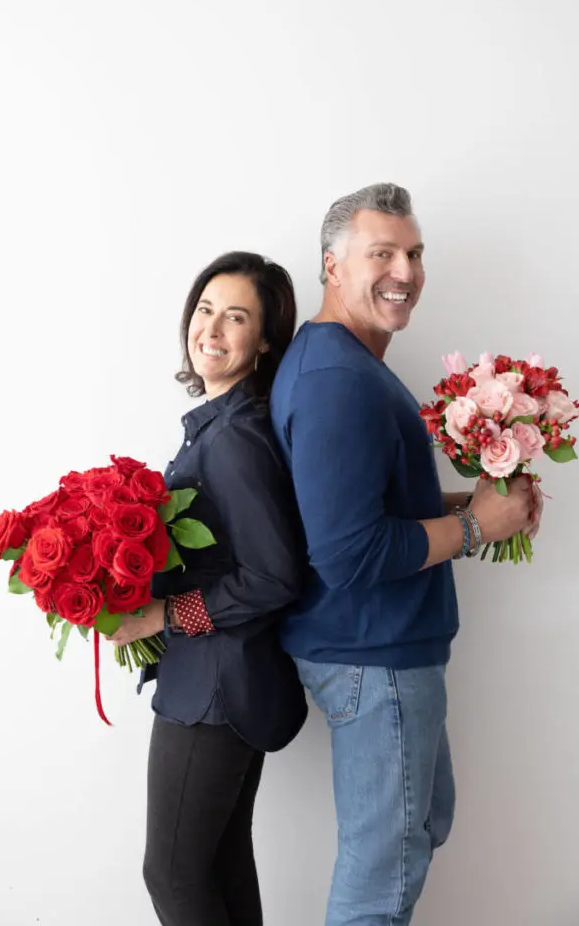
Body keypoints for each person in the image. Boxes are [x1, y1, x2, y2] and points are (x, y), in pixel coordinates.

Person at [270, 183, 542, 926]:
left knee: (415, 835)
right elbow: (350, 553)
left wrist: (482, 506)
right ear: (332, 266)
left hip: (382, 653)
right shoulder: (335, 378)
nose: (404, 271)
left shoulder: (347, 365)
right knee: (377, 889)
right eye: (381, 253)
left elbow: (358, 514)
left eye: (414, 253)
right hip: (373, 657)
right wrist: (477, 528)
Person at [108, 251, 308, 926]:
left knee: (169, 873)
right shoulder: (221, 426)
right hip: (219, 681)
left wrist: (165, 612)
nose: (211, 330)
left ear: (265, 340)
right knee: (216, 865)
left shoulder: (235, 439)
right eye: (204, 310)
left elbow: (275, 574)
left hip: (217, 689)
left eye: (236, 317)